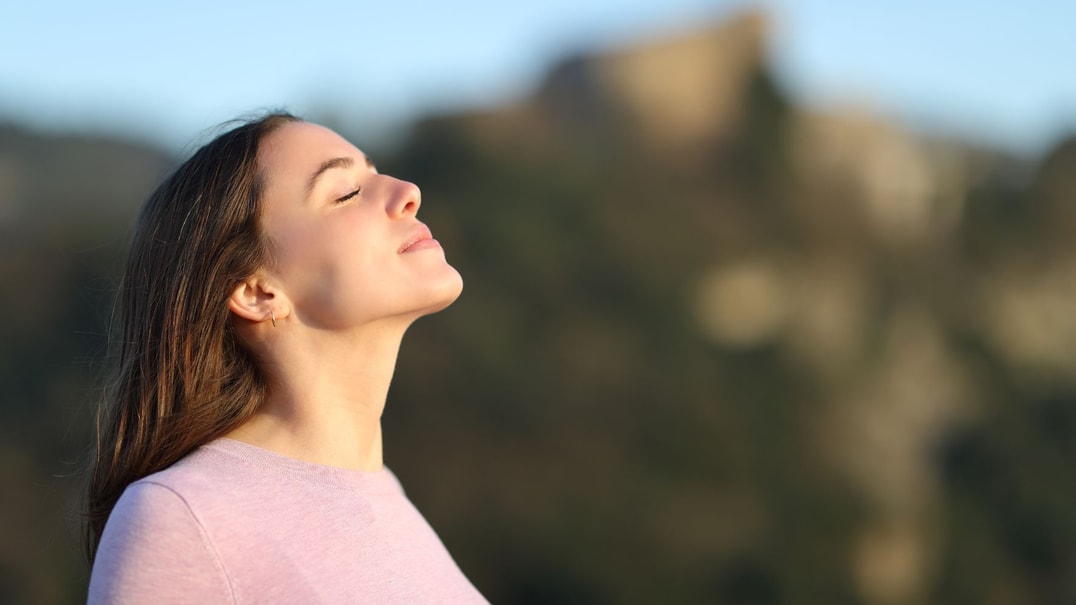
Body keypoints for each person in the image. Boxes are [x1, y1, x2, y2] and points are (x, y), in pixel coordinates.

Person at [84, 112, 488, 604]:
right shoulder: (184, 518)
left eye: (375, 171)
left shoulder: (388, 499)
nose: (407, 191)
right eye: (345, 193)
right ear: (257, 291)